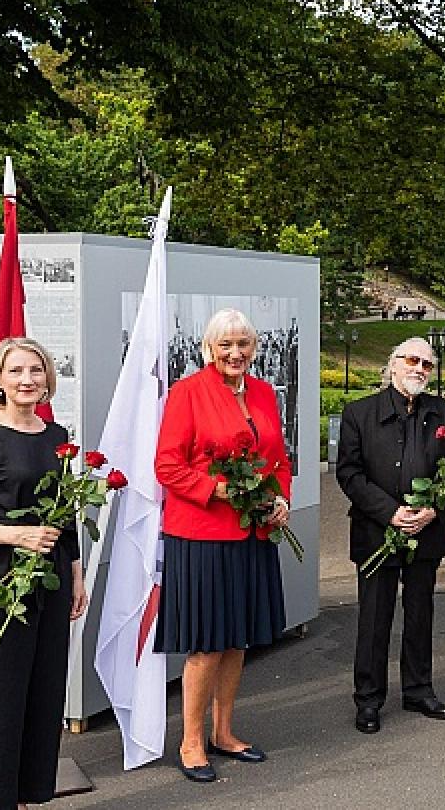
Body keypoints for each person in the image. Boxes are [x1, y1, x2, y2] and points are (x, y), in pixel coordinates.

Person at [154, 308, 290, 784]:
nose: (236, 353)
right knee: (207, 645)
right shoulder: (187, 392)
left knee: (238, 639)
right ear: (209, 348)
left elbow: (278, 459)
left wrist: (280, 500)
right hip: (203, 535)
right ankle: (191, 742)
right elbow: (167, 467)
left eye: (244, 344)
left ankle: (224, 733)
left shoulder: (264, 393)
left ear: (254, 348)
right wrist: (220, 490)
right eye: (226, 345)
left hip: (252, 534)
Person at [0, 337, 87, 810]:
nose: (27, 379)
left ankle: (27, 796)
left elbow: (63, 513)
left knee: (43, 690)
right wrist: (17, 535)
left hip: (49, 582)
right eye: (16, 372)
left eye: (35, 370)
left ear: (48, 378)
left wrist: (75, 572)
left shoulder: (57, 436)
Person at [337, 336, 445, 735]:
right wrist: (390, 512)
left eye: (427, 364)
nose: (420, 369)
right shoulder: (359, 413)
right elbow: (349, 473)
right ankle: (369, 699)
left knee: (421, 613)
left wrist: (433, 509)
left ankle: (419, 689)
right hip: (377, 532)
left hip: (426, 532)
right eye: (413, 360)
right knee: (375, 618)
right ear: (393, 365)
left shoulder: (443, 412)